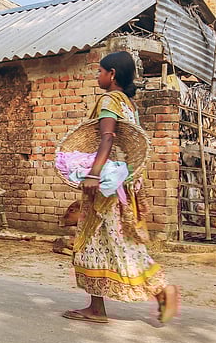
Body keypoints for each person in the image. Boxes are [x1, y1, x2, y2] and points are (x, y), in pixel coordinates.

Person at [63, 51, 179, 324]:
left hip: (107, 186)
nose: (97, 76)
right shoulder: (129, 104)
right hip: (123, 183)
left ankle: (161, 291)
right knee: (106, 243)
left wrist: (92, 175)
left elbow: (107, 138)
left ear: (112, 74)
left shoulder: (109, 100)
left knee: (107, 243)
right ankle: (98, 307)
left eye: (100, 71)